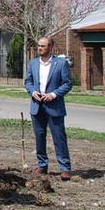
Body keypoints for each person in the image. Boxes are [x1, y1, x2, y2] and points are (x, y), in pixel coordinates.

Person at [24, 36, 73, 181]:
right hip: (37, 106)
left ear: (50, 47)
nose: (40, 48)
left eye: (43, 46)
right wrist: (33, 92)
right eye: (39, 46)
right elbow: (28, 81)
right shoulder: (33, 63)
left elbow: (67, 84)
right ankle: (42, 165)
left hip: (54, 106)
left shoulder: (61, 63)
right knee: (39, 137)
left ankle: (64, 168)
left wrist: (53, 94)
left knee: (59, 137)